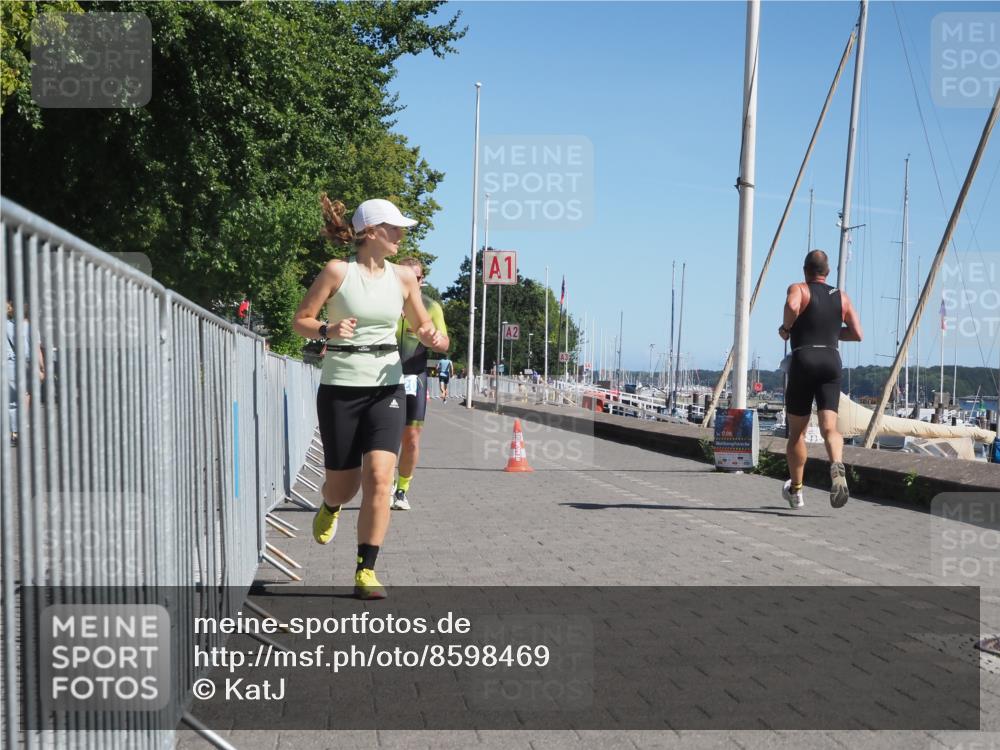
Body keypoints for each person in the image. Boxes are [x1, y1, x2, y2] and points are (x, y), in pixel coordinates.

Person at [293, 196, 442, 599]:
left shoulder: (404, 279)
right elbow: (300, 321)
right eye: (395, 228)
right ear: (372, 232)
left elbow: (431, 331)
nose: (401, 235)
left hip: (387, 386)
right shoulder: (337, 272)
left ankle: (365, 569)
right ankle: (330, 504)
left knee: (380, 478)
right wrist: (327, 330)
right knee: (345, 487)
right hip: (341, 386)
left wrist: (433, 337)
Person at [778, 250, 863, 509]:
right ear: (827, 273)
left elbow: (792, 306)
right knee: (830, 428)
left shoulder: (799, 289)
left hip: (804, 360)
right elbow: (857, 333)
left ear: (806, 270)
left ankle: (796, 490)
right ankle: (836, 465)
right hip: (831, 361)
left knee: (797, 434)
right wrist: (833, 334)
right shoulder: (841, 296)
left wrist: (786, 328)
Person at [391, 258, 450, 511]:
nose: (412, 282)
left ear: (422, 281)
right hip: (384, 378)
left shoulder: (430, 307)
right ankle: (382, 484)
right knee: (384, 436)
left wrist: (436, 340)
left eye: (417, 278)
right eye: (406, 276)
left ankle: (402, 489)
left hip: (415, 376)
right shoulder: (385, 302)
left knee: (411, 439)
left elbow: (446, 343)